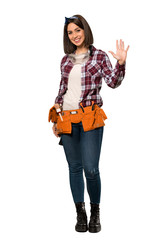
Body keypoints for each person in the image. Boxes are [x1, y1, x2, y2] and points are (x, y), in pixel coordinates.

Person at [50, 14, 129, 233]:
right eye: (70, 32)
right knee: (74, 168)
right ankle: (80, 213)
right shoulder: (65, 60)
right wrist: (56, 117)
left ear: (85, 30)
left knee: (91, 169)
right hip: (66, 118)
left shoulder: (99, 56)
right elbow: (61, 90)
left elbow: (113, 82)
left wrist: (121, 63)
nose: (74, 35)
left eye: (77, 30)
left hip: (90, 118)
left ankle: (95, 212)